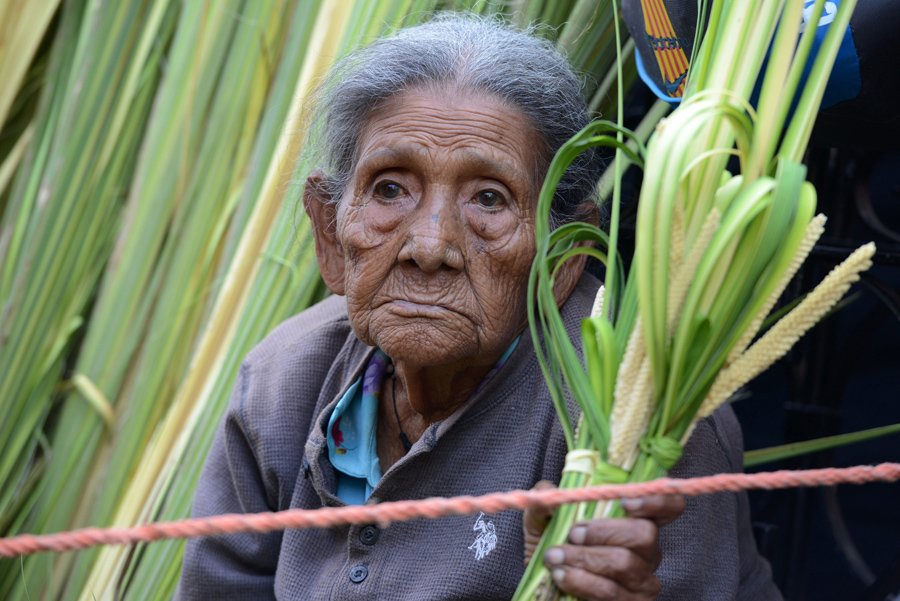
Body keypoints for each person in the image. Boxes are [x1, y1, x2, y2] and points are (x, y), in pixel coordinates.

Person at [176, 14, 781, 601]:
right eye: (390, 188)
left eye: (489, 199)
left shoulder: (634, 416)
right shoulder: (282, 382)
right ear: (330, 233)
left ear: (564, 255)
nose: (430, 246)